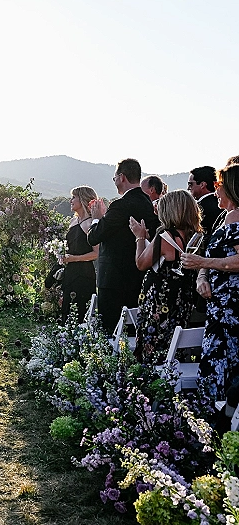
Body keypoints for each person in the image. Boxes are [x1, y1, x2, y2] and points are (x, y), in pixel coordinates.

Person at [181, 164, 239, 400]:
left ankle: (220, 423)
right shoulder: (227, 216)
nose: (216, 191)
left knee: (224, 364)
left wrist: (201, 263)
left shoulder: (236, 216)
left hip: (230, 308)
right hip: (220, 304)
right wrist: (203, 273)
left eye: (219, 185)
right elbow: (215, 255)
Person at [88, 159, 159, 334]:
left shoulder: (120, 205)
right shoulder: (147, 203)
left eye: (114, 178)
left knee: (110, 331)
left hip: (114, 280)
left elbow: (94, 237)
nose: (115, 182)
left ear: (122, 177)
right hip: (139, 277)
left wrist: (97, 218)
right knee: (132, 331)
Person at [130, 190, 201, 363]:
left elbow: (141, 263)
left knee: (154, 347)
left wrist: (140, 238)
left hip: (159, 303)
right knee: (174, 344)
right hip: (181, 299)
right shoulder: (195, 236)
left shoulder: (165, 237)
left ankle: (152, 383)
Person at [58, 186, 98, 322]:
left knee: (81, 311)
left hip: (84, 275)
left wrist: (75, 259)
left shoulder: (90, 223)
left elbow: (96, 253)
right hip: (70, 272)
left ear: (82, 199)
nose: (70, 200)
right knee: (67, 310)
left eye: (73, 197)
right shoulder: (72, 221)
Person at [187, 166, 224, 241]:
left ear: (202, 185)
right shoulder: (223, 204)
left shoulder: (198, 208)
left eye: (190, 184)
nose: (188, 188)